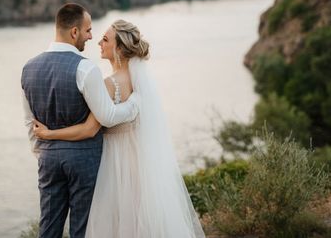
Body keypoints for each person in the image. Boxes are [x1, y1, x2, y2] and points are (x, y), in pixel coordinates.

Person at [33, 19, 206, 238]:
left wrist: (49, 134)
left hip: (114, 160)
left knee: (116, 222)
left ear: (120, 48)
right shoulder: (141, 83)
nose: (98, 42)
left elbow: (88, 129)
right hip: (139, 157)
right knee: (138, 220)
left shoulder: (108, 84)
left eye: (105, 39)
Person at [21, 4, 139, 238]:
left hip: (48, 157)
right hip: (84, 158)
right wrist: (133, 106)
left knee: (49, 225)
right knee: (83, 228)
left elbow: (30, 122)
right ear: (74, 32)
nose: (91, 36)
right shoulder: (86, 68)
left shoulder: (28, 68)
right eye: (87, 30)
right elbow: (106, 116)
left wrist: (43, 151)